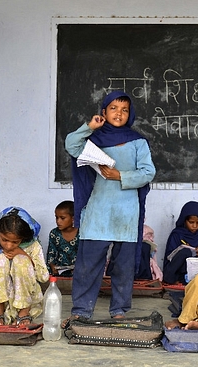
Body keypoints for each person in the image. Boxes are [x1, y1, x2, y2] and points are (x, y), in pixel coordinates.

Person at [63, 90, 156, 325]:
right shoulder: (93, 140)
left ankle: (119, 309)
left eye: (124, 110)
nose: (119, 113)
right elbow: (71, 145)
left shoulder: (138, 142)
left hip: (126, 212)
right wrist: (89, 126)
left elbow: (148, 172)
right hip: (98, 211)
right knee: (88, 264)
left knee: (123, 266)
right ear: (103, 112)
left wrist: (119, 175)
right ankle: (82, 310)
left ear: (130, 114)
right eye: (113, 108)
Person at [162, 201, 198, 285]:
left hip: (196, 271)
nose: (195, 226)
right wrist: (181, 250)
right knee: (185, 252)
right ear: (184, 221)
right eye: (191, 222)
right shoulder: (177, 234)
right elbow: (169, 257)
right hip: (177, 271)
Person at [47, 200, 79, 277]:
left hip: (78, 270)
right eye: (56, 217)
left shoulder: (81, 233)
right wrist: (52, 266)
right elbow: (51, 254)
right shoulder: (54, 233)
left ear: (73, 218)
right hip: (59, 270)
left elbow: (85, 255)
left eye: (62, 218)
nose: (58, 221)